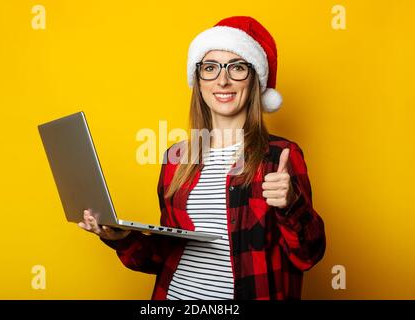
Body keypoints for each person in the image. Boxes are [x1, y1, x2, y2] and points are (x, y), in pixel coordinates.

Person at [78, 16, 326, 300]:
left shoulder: (281, 156)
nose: (223, 80)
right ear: (198, 81)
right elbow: (163, 256)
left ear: (255, 80)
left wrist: (291, 205)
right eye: (210, 68)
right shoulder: (177, 159)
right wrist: (120, 239)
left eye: (237, 68)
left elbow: (308, 255)